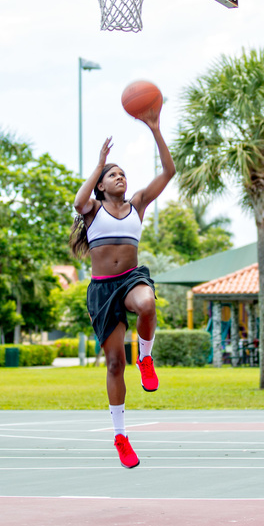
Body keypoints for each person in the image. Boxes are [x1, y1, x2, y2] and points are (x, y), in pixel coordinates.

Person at [70, 104, 175, 469]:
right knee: (115, 363)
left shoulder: (137, 205)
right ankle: (120, 435)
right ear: (101, 183)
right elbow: (78, 201)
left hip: (130, 280)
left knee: (147, 304)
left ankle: (145, 356)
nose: (120, 178)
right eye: (113, 175)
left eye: (123, 174)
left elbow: (169, 171)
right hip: (102, 289)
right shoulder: (93, 211)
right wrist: (100, 162)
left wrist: (155, 129)